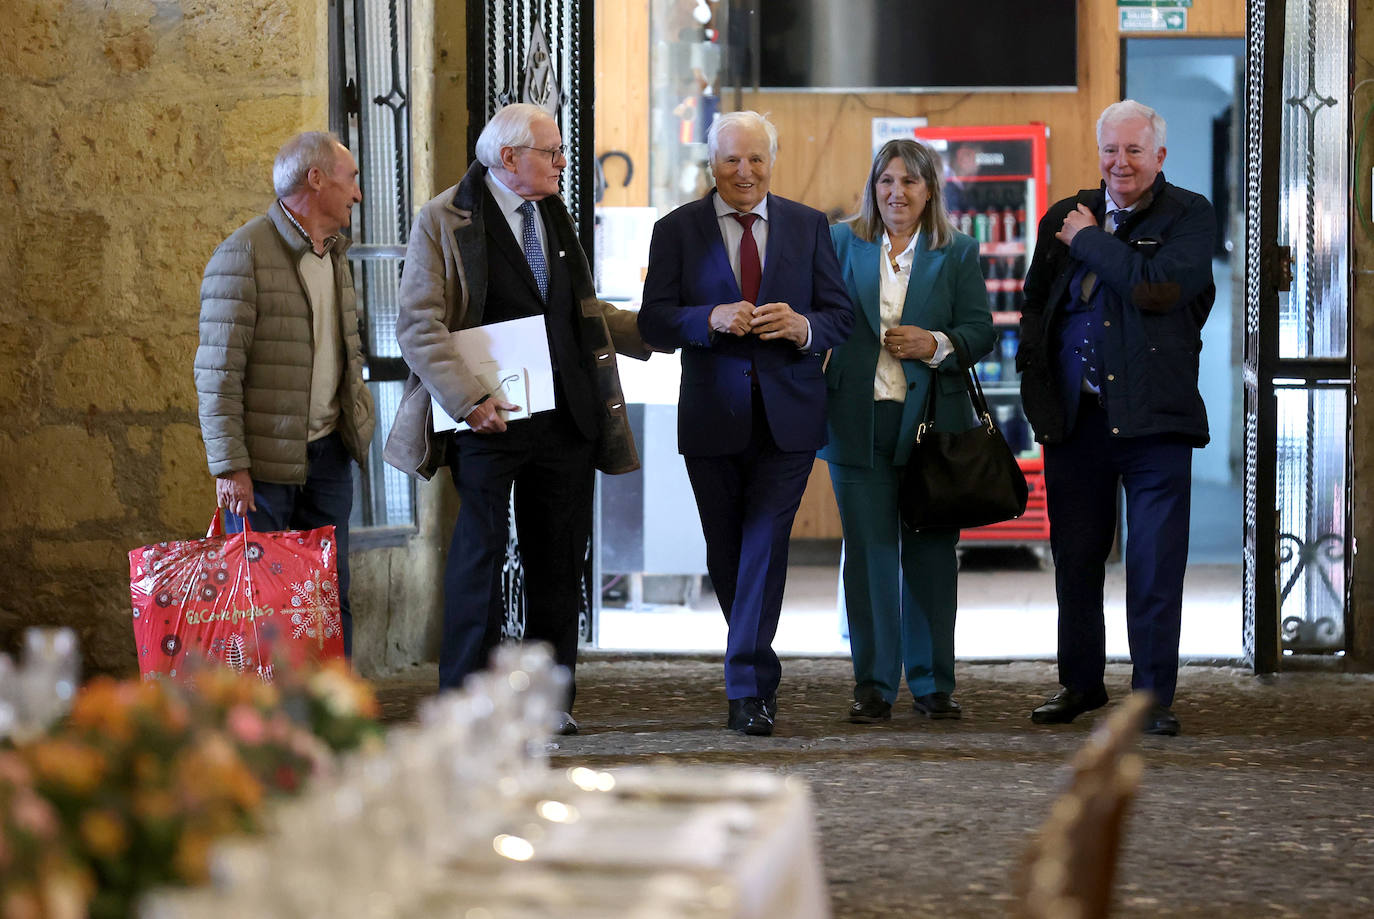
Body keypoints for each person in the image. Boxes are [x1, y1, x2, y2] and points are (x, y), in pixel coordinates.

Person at [385, 103, 651, 735]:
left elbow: (578, 310)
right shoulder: (443, 218)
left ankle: (547, 700)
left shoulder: (555, 213)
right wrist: (467, 399)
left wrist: (660, 328)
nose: (563, 162)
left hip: (565, 422)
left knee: (558, 562)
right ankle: (463, 703)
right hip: (486, 421)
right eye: (551, 151)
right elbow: (419, 327)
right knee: (480, 553)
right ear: (508, 158)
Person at [638, 110, 854, 736]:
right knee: (729, 553)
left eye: (756, 158)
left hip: (789, 418)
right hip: (712, 416)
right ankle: (755, 666)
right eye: (732, 159)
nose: (745, 171)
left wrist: (804, 327)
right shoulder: (676, 230)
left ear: (771, 162)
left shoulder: (810, 227)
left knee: (765, 541)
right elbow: (654, 322)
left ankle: (747, 687)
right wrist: (708, 319)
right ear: (712, 165)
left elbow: (840, 317)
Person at [1017, 100, 1215, 736]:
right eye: (1110, 150)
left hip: (1156, 421)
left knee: (1154, 565)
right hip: (1078, 421)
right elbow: (1034, 306)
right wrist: (1034, 379)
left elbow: (1156, 287)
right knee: (1076, 562)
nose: (1120, 163)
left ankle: (1151, 698)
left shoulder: (1190, 215)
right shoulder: (1062, 217)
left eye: (1134, 150)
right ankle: (1080, 686)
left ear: (1159, 156)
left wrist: (1090, 240)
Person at [823, 139, 995, 724]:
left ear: (930, 192)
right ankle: (873, 685)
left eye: (910, 183)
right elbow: (819, 316)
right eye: (886, 181)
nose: (897, 193)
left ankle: (931, 684)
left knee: (930, 557)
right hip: (856, 422)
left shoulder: (959, 250)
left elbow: (980, 330)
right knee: (869, 559)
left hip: (932, 429)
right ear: (874, 187)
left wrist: (937, 344)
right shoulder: (842, 242)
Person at [196, 131, 376, 658]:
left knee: (326, 597)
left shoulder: (334, 254)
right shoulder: (243, 254)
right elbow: (217, 373)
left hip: (328, 457)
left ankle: (332, 722)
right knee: (259, 606)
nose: (358, 195)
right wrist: (230, 467)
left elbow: (347, 349)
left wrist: (354, 419)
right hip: (264, 470)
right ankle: (262, 730)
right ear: (315, 179)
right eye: (352, 180)